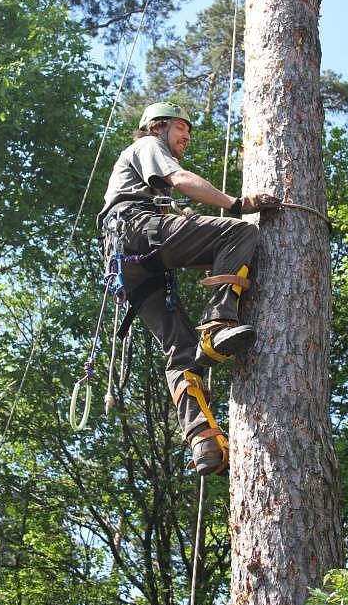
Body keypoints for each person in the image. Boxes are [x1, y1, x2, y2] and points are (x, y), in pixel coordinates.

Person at [97, 102, 280, 475]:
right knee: (239, 231)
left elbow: (190, 233)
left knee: (180, 351)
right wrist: (235, 204)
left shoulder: (142, 176)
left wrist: (192, 226)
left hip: (128, 269)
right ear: (157, 126)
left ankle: (203, 440)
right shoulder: (147, 146)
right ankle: (217, 324)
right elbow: (180, 179)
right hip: (137, 235)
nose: (185, 138)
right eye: (181, 128)